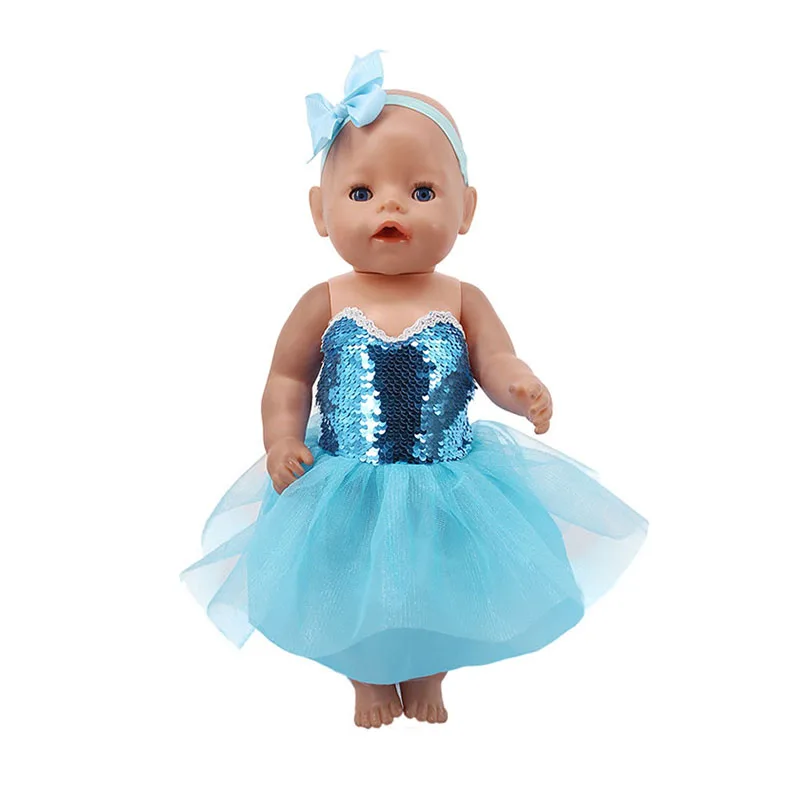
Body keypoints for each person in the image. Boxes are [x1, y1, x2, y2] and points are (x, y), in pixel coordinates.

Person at [180, 50, 648, 729]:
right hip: (346, 480)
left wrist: (520, 386)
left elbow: (495, 360)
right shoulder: (324, 300)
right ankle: (368, 675)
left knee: (440, 578)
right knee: (349, 580)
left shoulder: (462, 298)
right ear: (319, 211)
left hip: (447, 481)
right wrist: (281, 439)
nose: (391, 205)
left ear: (467, 209)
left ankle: (429, 669)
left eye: (422, 192)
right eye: (361, 193)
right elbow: (287, 377)